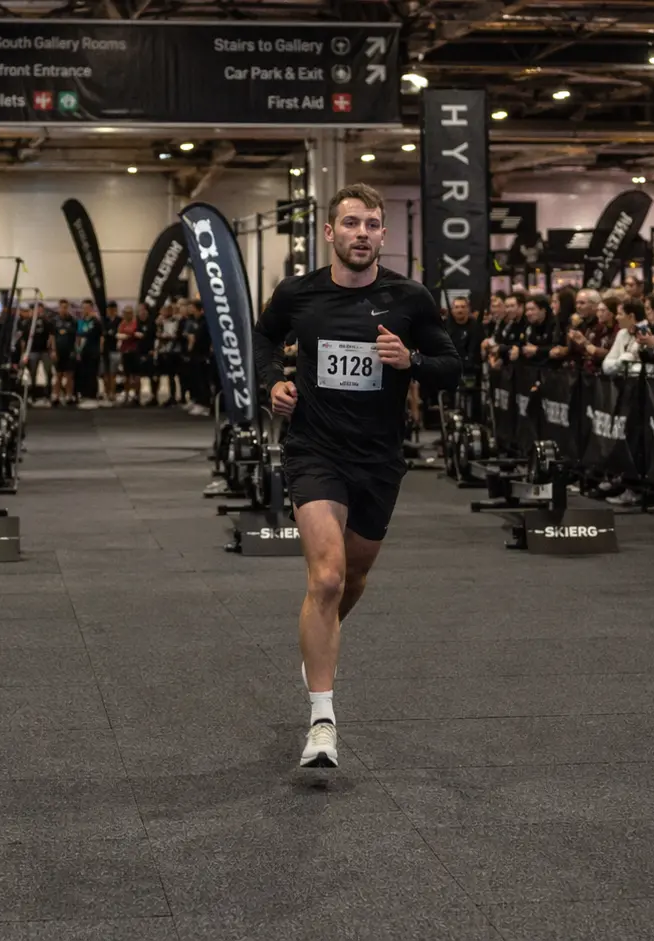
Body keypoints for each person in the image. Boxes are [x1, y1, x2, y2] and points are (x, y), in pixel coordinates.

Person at [253, 183, 461, 769]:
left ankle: (319, 638)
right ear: (329, 232)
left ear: (383, 235)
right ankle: (323, 719)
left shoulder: (409, 298)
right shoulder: (298, 293)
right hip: (314, 449)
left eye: (372, 224)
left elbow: (452, 368)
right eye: (351, 224)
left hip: (379, 458)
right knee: (325, 577)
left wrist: (412, 362)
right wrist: (272, 383)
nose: (361, 234)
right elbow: (265, 336)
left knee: (352, 579)